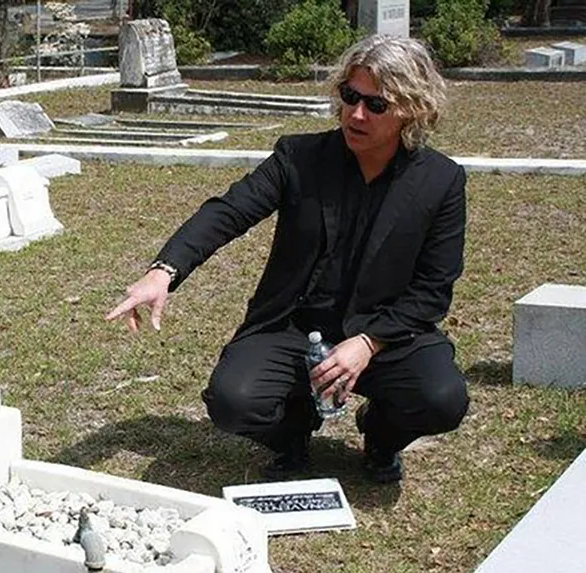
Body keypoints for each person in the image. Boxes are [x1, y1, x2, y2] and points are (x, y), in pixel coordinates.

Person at [105, 35, 470, 484]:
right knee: (232, 401)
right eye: (350, 96)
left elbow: (433, 290)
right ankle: (293, 434)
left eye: (376, 105)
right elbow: (228, 211)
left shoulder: (441, 181)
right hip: (295, 324)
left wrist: (369, 342)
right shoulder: (299, 158)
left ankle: (381, 436)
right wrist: (163, 272)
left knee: (441, 399)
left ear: (411, 110)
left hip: (387, 331)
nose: (356, 114)